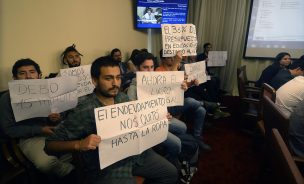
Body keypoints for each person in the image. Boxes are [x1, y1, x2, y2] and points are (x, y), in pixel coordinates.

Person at [45, 56, 178, 184]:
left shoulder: (122, 98)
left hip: (136, 155)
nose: (115, 83)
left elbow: (139, 121)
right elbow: (49, 145)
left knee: (171, 173)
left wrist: (158, 118)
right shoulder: (84, 110)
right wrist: (79, 144)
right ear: (94, 80)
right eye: (108, 78)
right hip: (108, 166)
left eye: (118, 78)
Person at [0, 59, 74, 178]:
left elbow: (63, 115)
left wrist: (56, 119)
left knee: (81, 148)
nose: (28, 77)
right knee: (46, 164)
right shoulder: (6, 98)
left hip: (57, 130)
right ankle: (72, 173)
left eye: (32, 72)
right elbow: (8, 129)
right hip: (30, 138)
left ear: (39, 75)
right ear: (15, 78)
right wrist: (40, 130)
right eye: (22, 73)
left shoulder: (53, 90)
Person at [127, 51, 188, 168]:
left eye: (151, 67)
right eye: (145, 67)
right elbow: (133, 118)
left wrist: (181, 88)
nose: (150, 71)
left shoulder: (157, 82)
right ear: (137, 68)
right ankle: (170, 162)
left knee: (183, 127)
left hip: (162, 118)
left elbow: (170, 89)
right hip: (148, 126)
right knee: (177, 143)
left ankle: (166, 153)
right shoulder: (133, 89)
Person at [156, 50, 212, 151]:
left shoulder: (176, 69)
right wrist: (176, 63)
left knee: (201, 110)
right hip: (167, 106)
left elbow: (182, 85)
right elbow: (169, 84)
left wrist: (191, 83)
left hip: (178, 102)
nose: (173, 59)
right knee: (190, 100)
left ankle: (197, 137)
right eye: (169, 57)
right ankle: (206, 104)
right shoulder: (158, 70)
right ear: (162, 59)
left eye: (173, 57)